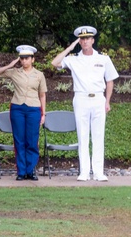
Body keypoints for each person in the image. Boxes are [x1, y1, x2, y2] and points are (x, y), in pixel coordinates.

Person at [51, 26, 119, 182]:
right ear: (79, 41)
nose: (85, 41)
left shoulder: (103, 58)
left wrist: (107, 101)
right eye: (82, 39)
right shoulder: (73, 58)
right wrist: (70, 47)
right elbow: (55, 63)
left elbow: (109, 81)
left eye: (88, 38)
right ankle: (84, 172)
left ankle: (98, 172)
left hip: (98, 98)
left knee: (98, 136)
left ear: (93, 40)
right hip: (81, 98)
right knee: (82, 136)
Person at [0, 46, 47, 181]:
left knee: (32, 140)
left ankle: (30, 170)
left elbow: (42, 95)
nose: (24, 61)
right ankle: (21, 171)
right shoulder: (14, 72)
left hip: (33, 108)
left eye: (26, 58)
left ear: (33, 59)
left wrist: (44, 113)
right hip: (18, 107)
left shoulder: (39, 74)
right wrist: (11, 64)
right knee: (19, 140)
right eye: (22, 58)